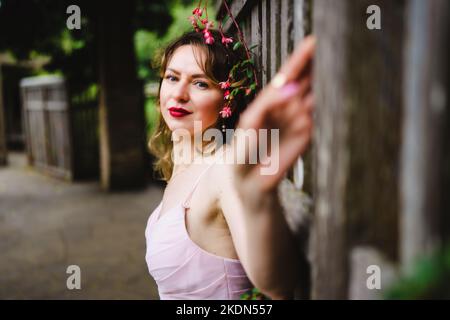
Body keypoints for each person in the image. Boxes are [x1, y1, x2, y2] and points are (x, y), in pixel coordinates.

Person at [145, 28, 315, 300]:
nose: (179, 94)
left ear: (228, 98)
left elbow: (278, 284)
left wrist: (257, 195)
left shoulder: (222, 169)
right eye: (172, 77)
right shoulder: (184, 161)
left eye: (200, 83)